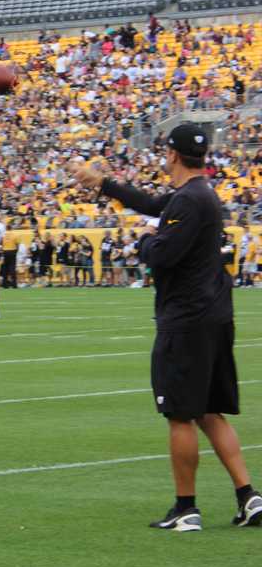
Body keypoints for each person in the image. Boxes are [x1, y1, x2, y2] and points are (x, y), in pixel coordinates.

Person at [71, 123, 261, 531]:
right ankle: (249, 497)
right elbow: (155, 204)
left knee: (180, 414)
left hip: (187, 320)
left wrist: (142, 241)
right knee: (211, 412)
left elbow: (162, 254)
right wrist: (103, 183)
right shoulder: (196, 194)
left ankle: (186, 507)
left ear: (172, 154)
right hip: (213, 315)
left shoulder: (189, 200)